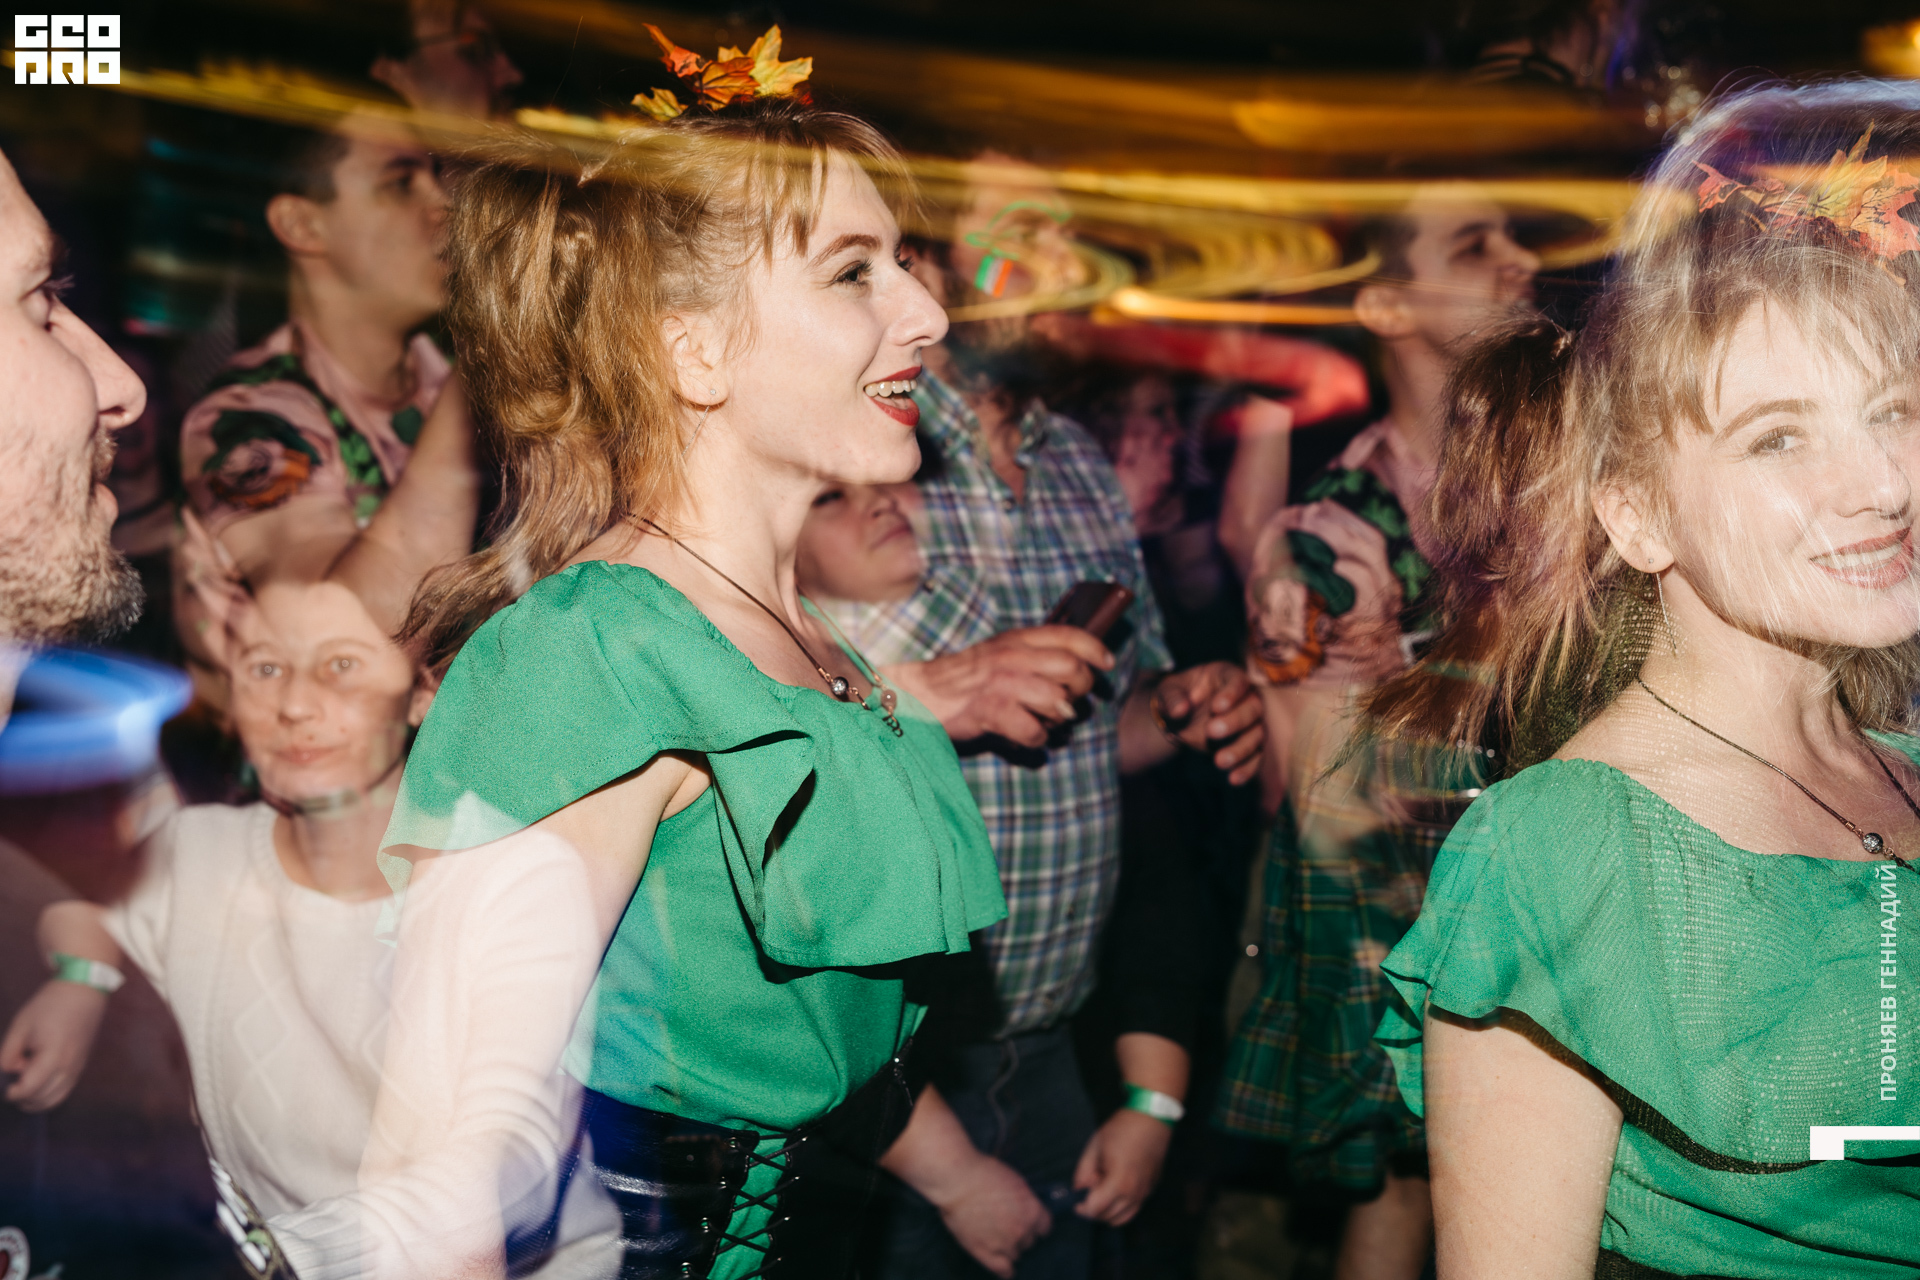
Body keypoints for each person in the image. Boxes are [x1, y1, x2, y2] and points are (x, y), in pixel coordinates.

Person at [373, 60, 1040, 1277]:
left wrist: (954, 1174)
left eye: (904, 259)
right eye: (853, 271)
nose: (927, 312)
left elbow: (795, 1039)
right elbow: (436, 1160)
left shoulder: (798, 640)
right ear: (693, 352)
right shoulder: (593, 651)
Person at [1370, 82, 1920, 1277]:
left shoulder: (1903, 768)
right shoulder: (1559, 855)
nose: (1883, 482)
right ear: (1636, 515)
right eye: (1779, 436)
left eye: (1891, 411)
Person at [814, 152, 1265, 1280]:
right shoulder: (857, 450)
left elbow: (1101, 735)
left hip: (1058, 1047)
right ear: (921, 265)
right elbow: (755, 731)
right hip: (886, 1072)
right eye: (1027, 232)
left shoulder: (1079, 466)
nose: (1071, 261)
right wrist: (943, 687)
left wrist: (1184, 710)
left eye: (1075, 229)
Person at [0, 579, 621, 1279]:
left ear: (421, 694)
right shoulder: (194, 851)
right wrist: (83, 976)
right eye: (266, 667)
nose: (295, 704)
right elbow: (78, 909)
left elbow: (510, 1163)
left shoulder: (512, 875)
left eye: (341, 665)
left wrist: (257, 1256)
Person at [1209, 184, 1538, 1280]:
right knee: (1407, 1193)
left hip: (1548, 910)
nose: (1520, 259)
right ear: (1386, 306)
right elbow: (1322, 815)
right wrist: (1373, 672)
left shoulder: (1558, 483)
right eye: (1474, 245)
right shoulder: (1336, 535)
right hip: (1407, 935)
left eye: (1515, 234)